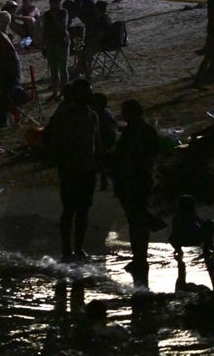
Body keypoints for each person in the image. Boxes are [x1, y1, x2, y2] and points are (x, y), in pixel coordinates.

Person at [43, 79, 100, 261]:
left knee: (83, 210)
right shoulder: (64, 116)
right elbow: (52, 139)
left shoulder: (92, 115)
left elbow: (96, 144)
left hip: (86, 168)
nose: (89, 95)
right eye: (86, 92)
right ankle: (68, 249)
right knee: (70, 210)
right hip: (71, 169)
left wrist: (102, 170)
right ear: (76, 95)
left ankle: (78, 248)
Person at [111, 99, 162, 287]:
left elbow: (126, 158)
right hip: (142, 180)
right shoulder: (146, 131)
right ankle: (140, 258)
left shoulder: (133, 132)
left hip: (132, 181)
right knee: (138, 219)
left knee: (136, 220)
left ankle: (140, 259)